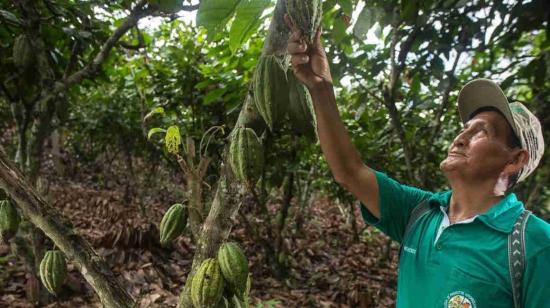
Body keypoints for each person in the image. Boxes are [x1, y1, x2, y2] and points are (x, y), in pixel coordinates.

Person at [285, 16, 550, 308]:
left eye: (481, 132)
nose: (461, 137)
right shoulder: (421, 212)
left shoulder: (534, 245)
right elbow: (349, 172)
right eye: (465, 128)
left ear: (514, 160)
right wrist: (320, 88)